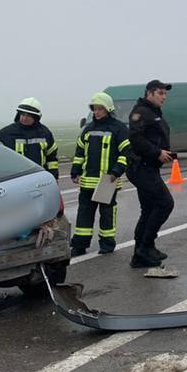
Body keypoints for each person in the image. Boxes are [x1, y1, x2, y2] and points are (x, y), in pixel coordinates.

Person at [69, 92, 130, 256]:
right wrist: (75, 170)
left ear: (108, 109)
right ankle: (79, 245)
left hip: (107, 181)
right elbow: (80, 153)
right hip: (88, 181)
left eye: (100, 109)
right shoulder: (87, 130)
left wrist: (116, 171)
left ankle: (107, 244)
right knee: (84, 214)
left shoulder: (119, 129)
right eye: (94, 109)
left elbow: (127, 153)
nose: (96, 112)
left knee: (107, 214)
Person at [126, 80, 177, 269]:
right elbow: (135, 138)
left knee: (148, 209)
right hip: (141, 167)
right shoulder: (141, 112)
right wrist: (157, 153)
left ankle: (140, 255)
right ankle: (145, 247)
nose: (164, 97)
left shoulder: (153, 113)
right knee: (165, 203)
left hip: (149, 167)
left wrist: (164, 152)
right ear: (149, 93)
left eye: (165, 94)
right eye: (160, 93)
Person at [0, 98, 59, 178]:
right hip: (15, 179)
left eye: (29, 116)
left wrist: (54, 176)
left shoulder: (45, 133)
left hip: (39, 179)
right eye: (22, 115)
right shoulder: (7, 132)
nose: (24, 118)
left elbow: (52, 158)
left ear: (36, 117)